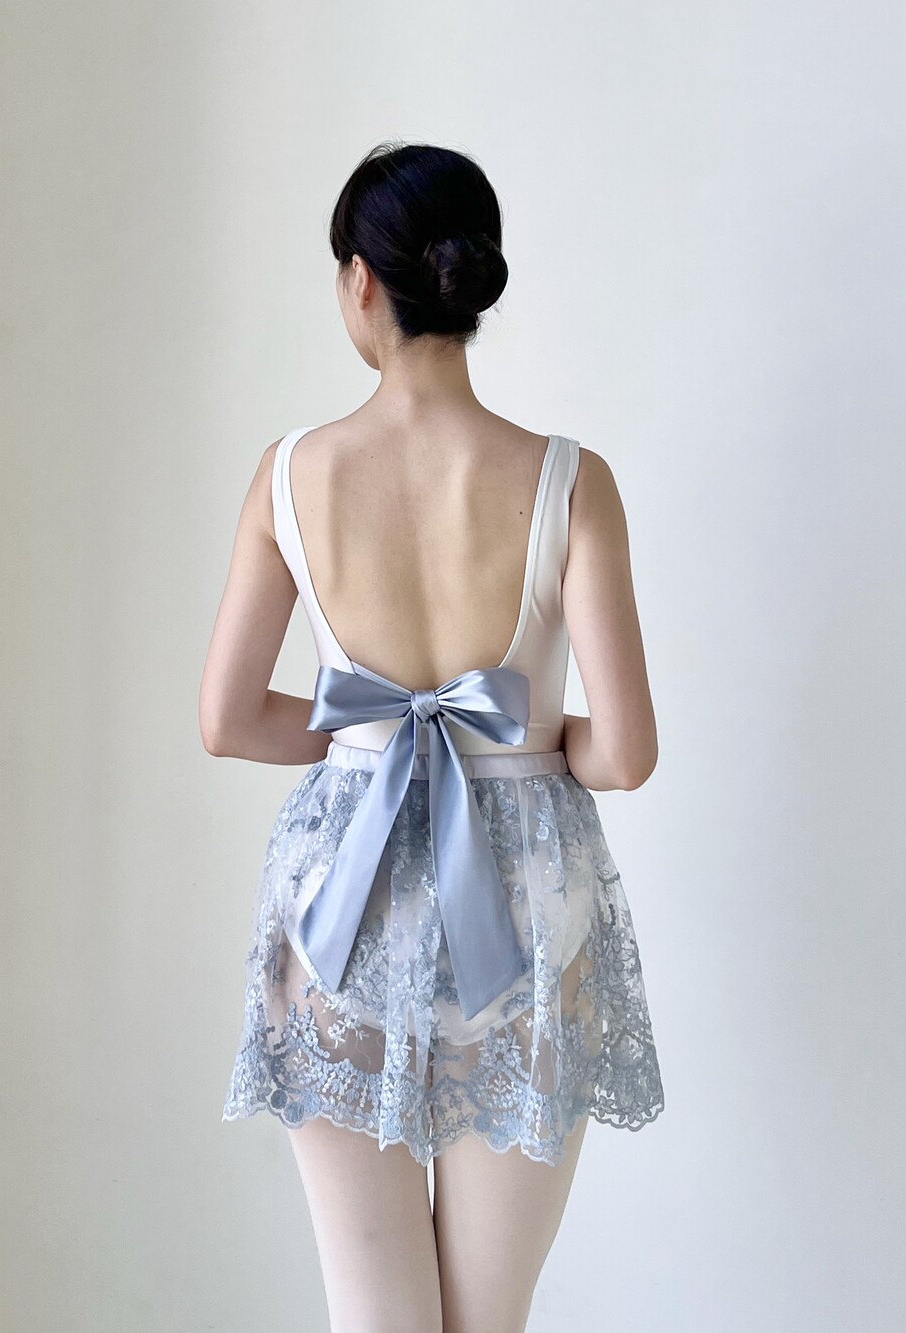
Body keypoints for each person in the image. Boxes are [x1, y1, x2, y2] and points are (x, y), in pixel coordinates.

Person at [199, 140, 665, 1333]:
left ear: (361, 280)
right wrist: (516, 736)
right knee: (486, 1318)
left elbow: (228, 718)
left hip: (339, 908)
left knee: (375, 1315)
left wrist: (368, 739)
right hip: (524, 911)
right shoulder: (569, 479)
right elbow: (622, 753)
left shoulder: (289, 474)